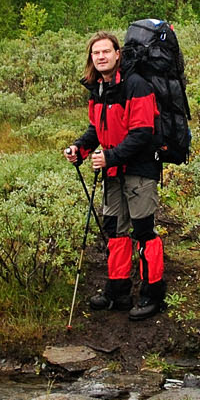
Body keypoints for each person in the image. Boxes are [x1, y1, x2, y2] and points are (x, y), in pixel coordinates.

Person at [65, 31, 167, 320]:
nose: (101, 57)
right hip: (113, 172)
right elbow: (97, 129)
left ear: (117, 54)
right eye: (96, 53)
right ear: (91, 58)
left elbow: (142, 132)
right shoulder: (98, 89)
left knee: (144, 232)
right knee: (116, 232)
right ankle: (118, 291)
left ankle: (153, 294)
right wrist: (80, 149)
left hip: (139, 170)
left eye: (106, 52)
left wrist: (109, 156)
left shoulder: (136, 86)